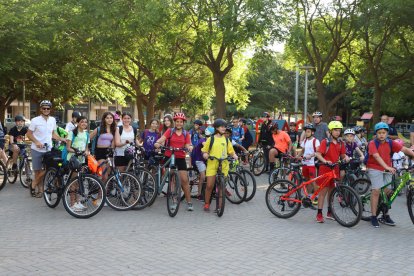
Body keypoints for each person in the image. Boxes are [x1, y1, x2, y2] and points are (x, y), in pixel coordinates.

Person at [366, 122, 414, 228]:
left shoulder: (390, 142)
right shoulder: (372, 143)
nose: (381, 135)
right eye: (379, 133)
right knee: (376, 191)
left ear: (387, 133)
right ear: (376, 134)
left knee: (388, 192)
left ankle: (385, 215)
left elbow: (405, 149)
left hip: (387, 169)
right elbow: (377, 157)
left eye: (383, 132)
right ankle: (373, 216)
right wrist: (387, 167)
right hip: (375, 168)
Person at [154, 112, 194, 211]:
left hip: (180, 157)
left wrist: (190, 147)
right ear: (175, 122)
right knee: (172, 179)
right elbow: (162, 138)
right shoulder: (170, 131)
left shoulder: (186, 134)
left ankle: (189, 202)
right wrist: (157, 143)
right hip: (169, 155)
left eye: (181, 122)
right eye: (177, 122)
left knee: (184, 180)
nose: (179, 123)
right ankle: (174, 200)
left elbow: (188, 144)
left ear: (183, 123)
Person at [27, 100, 66, 198]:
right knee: (37, 171)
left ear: (50, 109)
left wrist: (63, 139)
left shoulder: (52, 120)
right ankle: (40, 190)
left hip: (48, 149)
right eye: (44, 108)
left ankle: (33, 183)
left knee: (49, 168)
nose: (46, 110)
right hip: (36, 149)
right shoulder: (35, 120)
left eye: (48, 108)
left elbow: (53, 134)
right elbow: (29, 134)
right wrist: (36, 142)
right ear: (40, 109)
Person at [315, 121, 349, 223]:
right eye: (335, 130)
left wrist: (347, 158)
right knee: (323, 193)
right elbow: (318, 154)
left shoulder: (341, 143)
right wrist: (325, 161)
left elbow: (343, 155)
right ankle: (319, 213)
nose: (337, 132)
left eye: (339, 131)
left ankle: (329, 212)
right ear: (330, 131)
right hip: (325, 169)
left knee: (331, 192)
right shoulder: (325, 142)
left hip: (335, 169)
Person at [202, 119, 237, 212]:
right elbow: (205, 150)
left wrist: (234, 155)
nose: (224, 128)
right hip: (213, 163)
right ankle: (206, 203)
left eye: (225, 126)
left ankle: (220, 206)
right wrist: (205, 154)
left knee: (222, 186)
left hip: (224, 164)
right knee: (209, 185)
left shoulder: (226, 139)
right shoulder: (211, 139)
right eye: (222, 126)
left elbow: (231, 151)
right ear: (216, 128)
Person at [65, 116, 90, 212]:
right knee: (74, 182)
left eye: (85, 122)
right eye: (82, 122)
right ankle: (72, 203)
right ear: (78, 123)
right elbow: (68, 148)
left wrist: (86, 152)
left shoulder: (86, 134)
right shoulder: (72, 133)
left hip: (82, 160)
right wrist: (77, 151)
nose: (84, 123)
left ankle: (78, 202)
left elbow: (87, 147)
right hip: (73, 159)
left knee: (80, 182)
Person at [90, 112, 117, 182]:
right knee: (103, 175)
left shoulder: (114, 129)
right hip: (100, 152)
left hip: (109, 152)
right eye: (107, 118)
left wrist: (112, 150)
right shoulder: (99, 129)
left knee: (107, 176)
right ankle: (100, 192)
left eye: (111, 118)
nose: (109, 119)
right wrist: (87, 149)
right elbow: (88, 138)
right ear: (104, 119)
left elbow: (113, 143)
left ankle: (103, 192)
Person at [297, 123, 320, 203]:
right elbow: (302, 150)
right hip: (304, 164)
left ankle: (316, 196)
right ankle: (309, 196)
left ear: (312, 132)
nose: (306, 133)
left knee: (313, 181)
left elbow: (317, 152)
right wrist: (297, 157)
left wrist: (311, 155)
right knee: (307, 181)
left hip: (311, 164)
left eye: (308, 131)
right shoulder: (305, 140)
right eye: (306, 131)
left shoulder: (315, 141)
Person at [192, 126, 213, 200]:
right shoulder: (202, 140)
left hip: (206, 160)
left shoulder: (210, 140)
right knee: (203, 176)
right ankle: (199, 194)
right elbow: (206, 146)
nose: (209, 137)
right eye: (209, 136)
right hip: (199, 160)